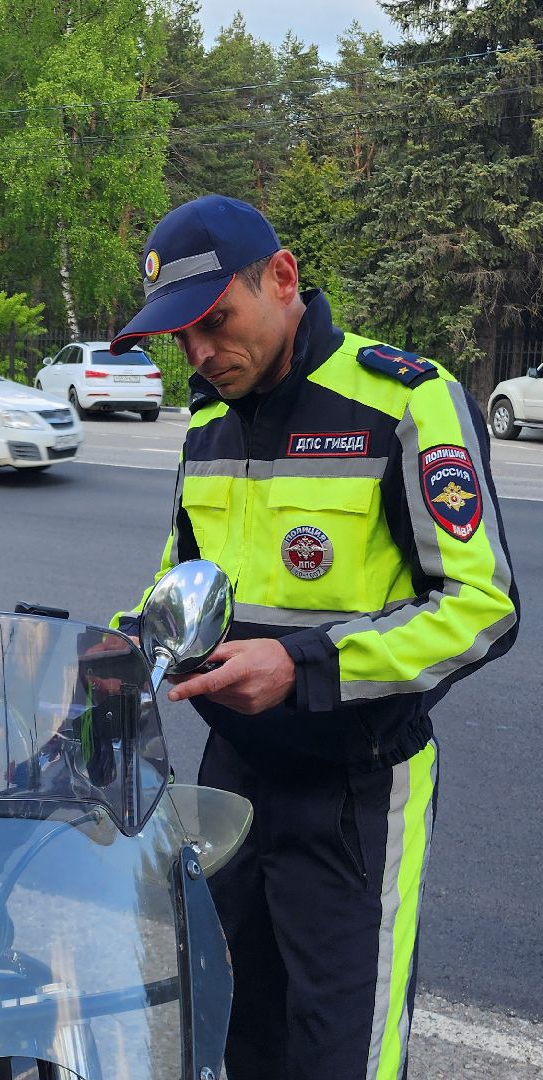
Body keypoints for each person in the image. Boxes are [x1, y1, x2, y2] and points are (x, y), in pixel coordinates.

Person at [109, 195, 518, 1079]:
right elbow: (175, 589)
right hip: (229, 789)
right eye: (179, 339)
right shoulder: (208, 424)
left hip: (356, 791)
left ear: (283, 278)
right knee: (231, 1037)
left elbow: (480, 605)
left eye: (214, 322)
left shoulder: (403, 399)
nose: (200, 355)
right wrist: (101, 657)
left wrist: (302, 667)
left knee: (344, 1056)